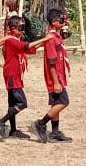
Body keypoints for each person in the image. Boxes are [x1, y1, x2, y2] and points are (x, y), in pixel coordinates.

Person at [0, 15, 54, 140]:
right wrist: (45, 38)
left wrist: (43, 42)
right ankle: (1, 121)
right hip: (12, 74)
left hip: (14, 74)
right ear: (13, 28)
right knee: (22, 103)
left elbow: (30, 50)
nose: (22, 30)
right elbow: (26, 47)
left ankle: (13, 130)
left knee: (13, 103)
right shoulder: (11, 40)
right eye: (20, 27)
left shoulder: (15, 39)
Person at [29, 8, 73, 144]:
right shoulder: (51, 38)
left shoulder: (57, 36)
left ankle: (55, 132)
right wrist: (56, 82)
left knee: (56, 103)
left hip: (59, 76)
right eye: (62, 19)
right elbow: (51, 62)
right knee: (63, 102)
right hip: (55, 77)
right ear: (54, 22)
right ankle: (41, 123)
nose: (64, 21)